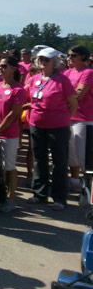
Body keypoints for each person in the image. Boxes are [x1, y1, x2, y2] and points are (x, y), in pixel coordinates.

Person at [25, 47, 77, 210]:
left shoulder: (62, 80)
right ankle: (39, 194)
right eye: (40, 59)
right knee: (39, 159)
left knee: (59, 162)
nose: (42, 62)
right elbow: (29, 98)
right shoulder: (35, 79)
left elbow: (73, 104)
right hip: (37, 124)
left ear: (55, 63)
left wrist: (63, 118)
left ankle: (59, 198)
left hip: (58, 126)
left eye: (46, 60)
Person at [0, 56, 27, 212]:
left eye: (4, 66)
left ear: (13, 68)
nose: (0, 68)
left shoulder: (18, 90)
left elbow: (13, 114)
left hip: (8, 134)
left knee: (9, 167)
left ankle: (11, 198)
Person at [64, 45, 93, 188]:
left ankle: (88, 183)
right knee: (71, 151)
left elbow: (79, 94)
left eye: (73, 55)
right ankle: (75, 180)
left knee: (83, 154)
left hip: (84, 118)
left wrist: (62, 99)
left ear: (82, 57)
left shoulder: (88, 72)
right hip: (68, 116)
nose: (69, 58)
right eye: (69, 55)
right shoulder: (68, 72)